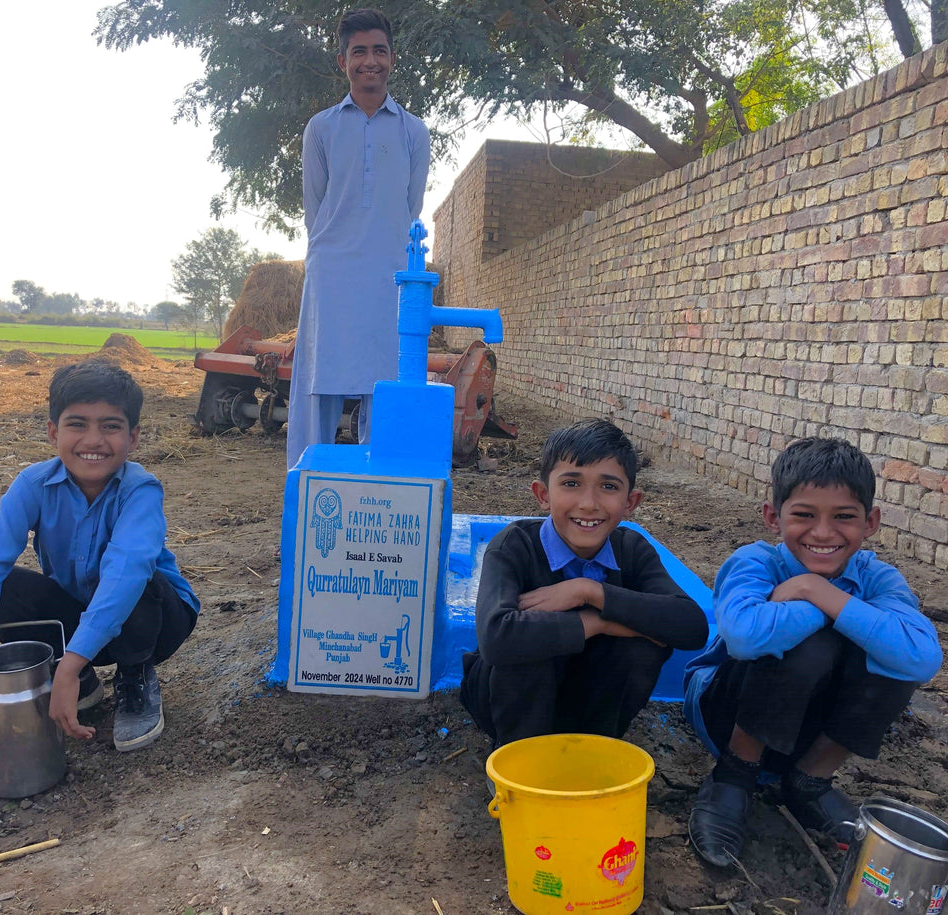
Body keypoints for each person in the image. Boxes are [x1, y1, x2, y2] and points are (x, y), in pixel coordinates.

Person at [684, 437, 942, 867]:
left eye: (844, 517)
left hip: (803, 729)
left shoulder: (879, 578)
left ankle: (808, 781)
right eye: (804, 515)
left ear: (871, 521)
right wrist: (836, 609)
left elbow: (922, 658)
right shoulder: (755, 562)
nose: (823, 533)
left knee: (893, 656)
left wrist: (812, 590)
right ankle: (733, 776)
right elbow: (745, 637)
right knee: (820, 641)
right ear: (773, 516)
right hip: (726, 713)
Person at [0, 360, 200, 756]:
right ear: (54, 432)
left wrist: (67, 667)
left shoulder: (140, 490)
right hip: (76, 616)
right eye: (78, 424)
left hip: (156, 621)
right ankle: (84, 680)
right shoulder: (34, 484)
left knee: (139, 583)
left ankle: (135, 676)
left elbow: (125, 573)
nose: (93, 440)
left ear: (134, 437)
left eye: (111, 426)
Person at [460, 419, 709, 748]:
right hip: (508, 705)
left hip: (587, 704)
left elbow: (691, 627)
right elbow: (497, 639)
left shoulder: (631, 550)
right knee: (527, 644)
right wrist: (596, 623)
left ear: (630, 502)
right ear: (543, 494)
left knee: (642, 648)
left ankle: (592, 752)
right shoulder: (514, 546)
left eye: (608, 487)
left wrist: (589, 592)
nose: (588, 503)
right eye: (571, 483)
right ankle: (519, 764)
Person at [286, 7, 431, 469]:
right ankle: (301, 504)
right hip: (332, 275)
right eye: (359, 52)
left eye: (379, 51)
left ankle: (380, 504)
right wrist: (337, 248)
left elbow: (410, 208)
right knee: (317, 387)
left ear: (393, 59)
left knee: (386, 390)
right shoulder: (321, 128)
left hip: (389, 279)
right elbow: (316, 210)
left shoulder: (413, 131)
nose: (371, 61)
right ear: (343, 61)